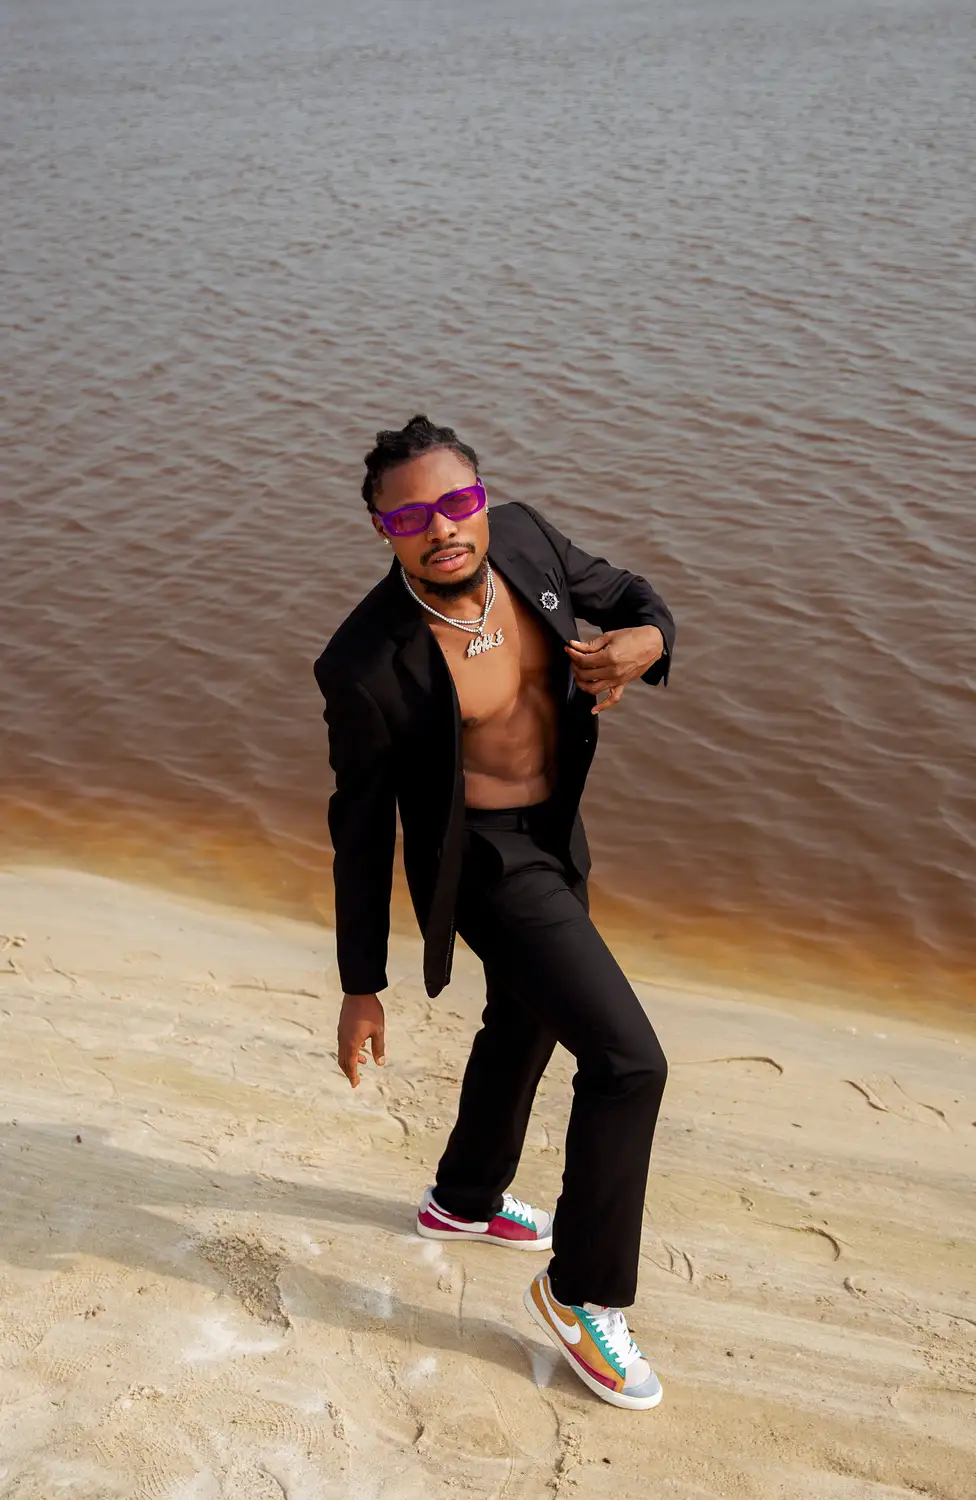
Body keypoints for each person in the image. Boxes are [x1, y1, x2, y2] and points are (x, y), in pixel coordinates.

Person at [314, 415, 675, 1411]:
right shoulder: (364, 663)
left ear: (482, 498)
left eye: (457, 501)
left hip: (558, 830)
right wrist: (361, 986)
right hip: (482, 864)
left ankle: (463, 1198)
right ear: (383, 529)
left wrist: (648, 640)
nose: (444, 528)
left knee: (526, 1016)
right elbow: (358, 830)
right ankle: (582, 1294)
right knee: (629, 1063)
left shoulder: (525, 540)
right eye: (414, 514)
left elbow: (630, 596)